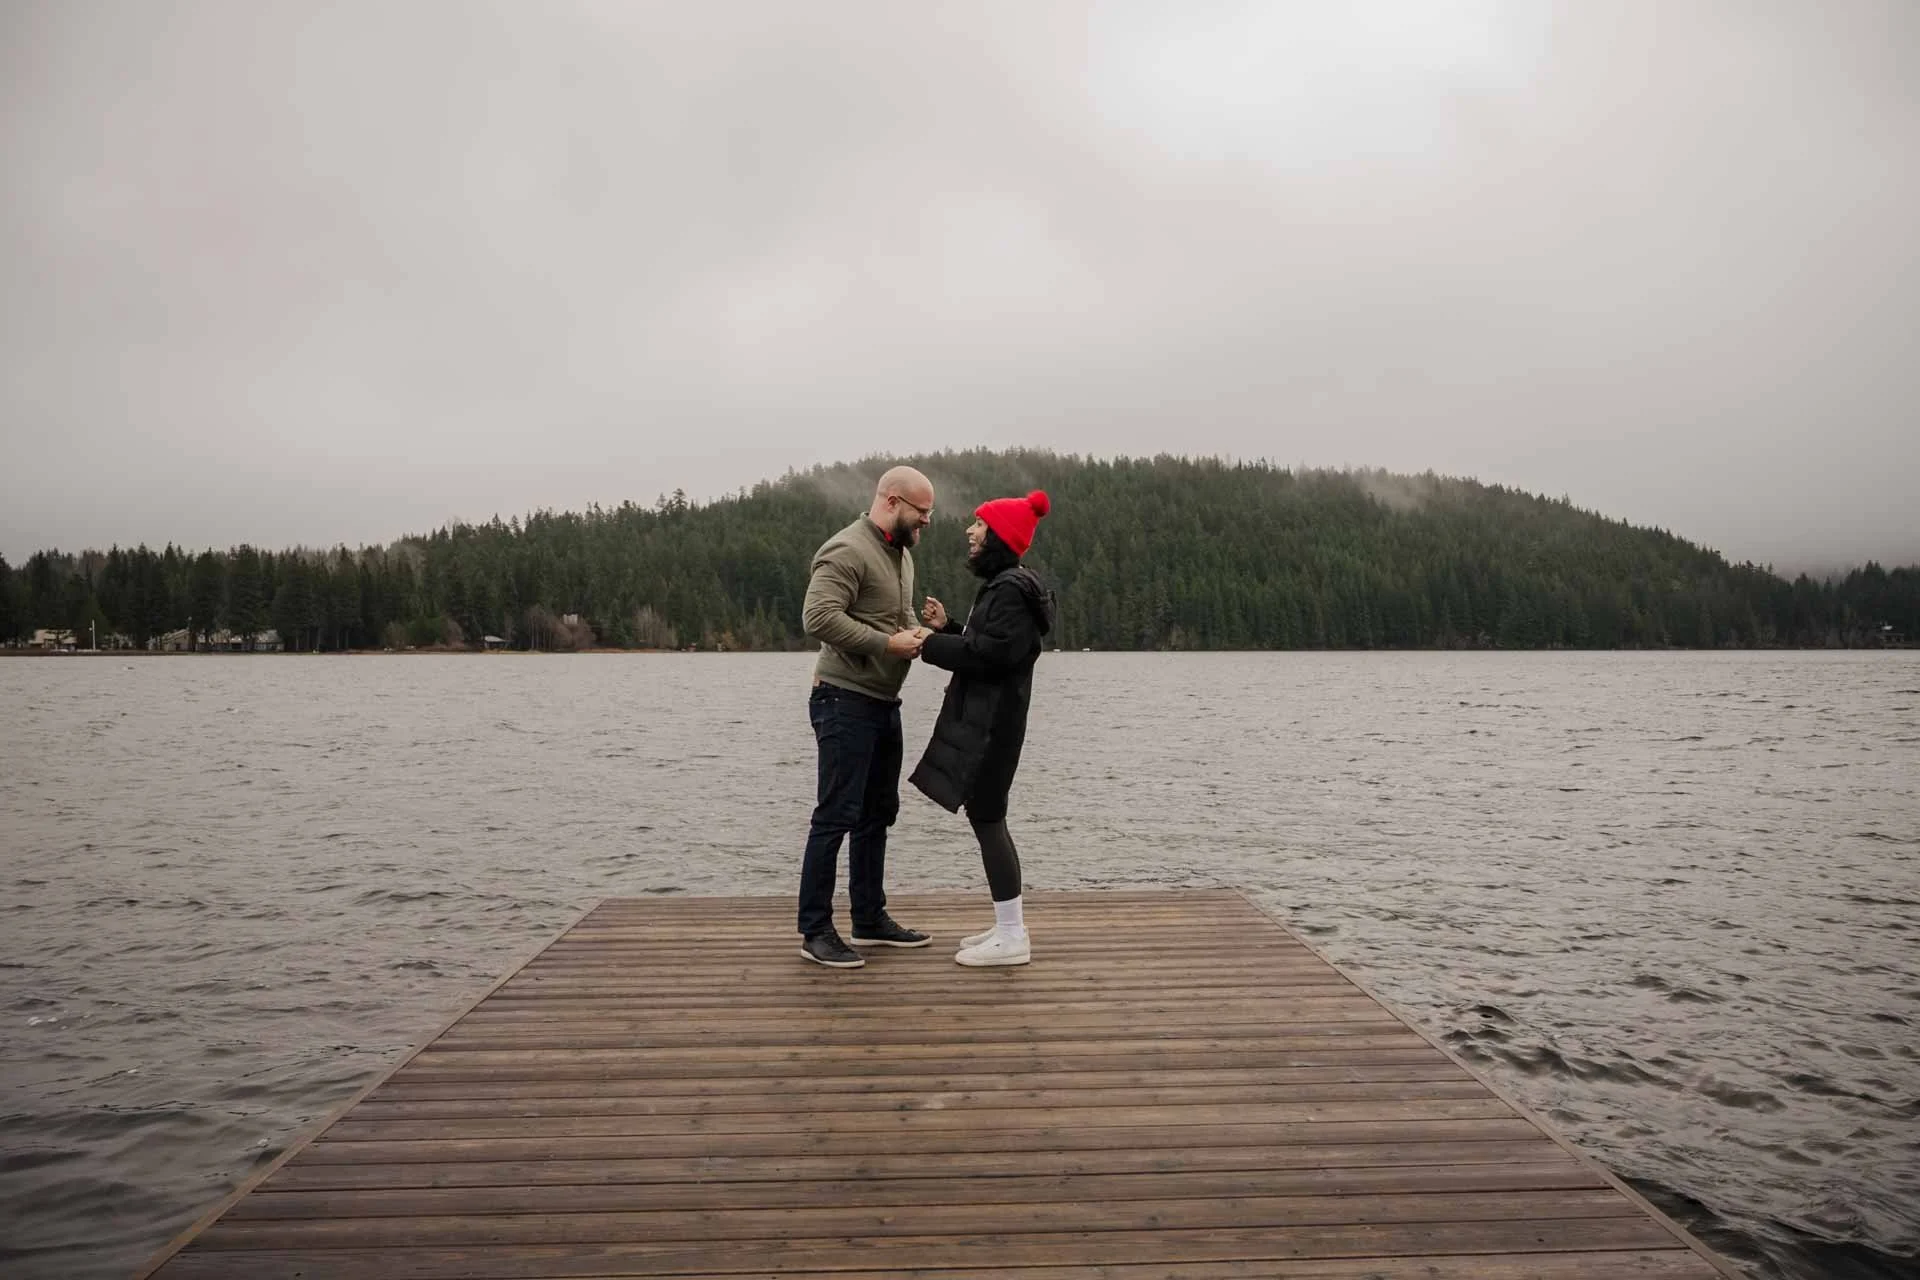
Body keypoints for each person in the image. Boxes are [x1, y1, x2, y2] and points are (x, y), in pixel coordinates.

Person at [795, 466, 938, 969]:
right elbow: (818, 617)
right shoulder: (846, 548)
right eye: (922, 513)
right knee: (835, 815)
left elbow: (893, 618)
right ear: (893, 501)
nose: (926, 523)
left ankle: (868, 918)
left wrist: (922, 631)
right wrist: (886, 644)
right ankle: (815, 930)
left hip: (881, 703)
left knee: (878, 812)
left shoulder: (900, 556)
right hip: (843, 700)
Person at [910, 490, 1056, 967]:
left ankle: (1013, 936)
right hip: (994, 722)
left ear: (1000, 536)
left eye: (979, 525)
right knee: (987, 817)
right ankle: (1007, 923)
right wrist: (950, 626)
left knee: (989, 818)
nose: (970, 532)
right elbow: (985, 646)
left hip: (995, 726)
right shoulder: (1005, 585)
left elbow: (989, 659)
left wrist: (928, 643)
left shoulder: (1010, 589)